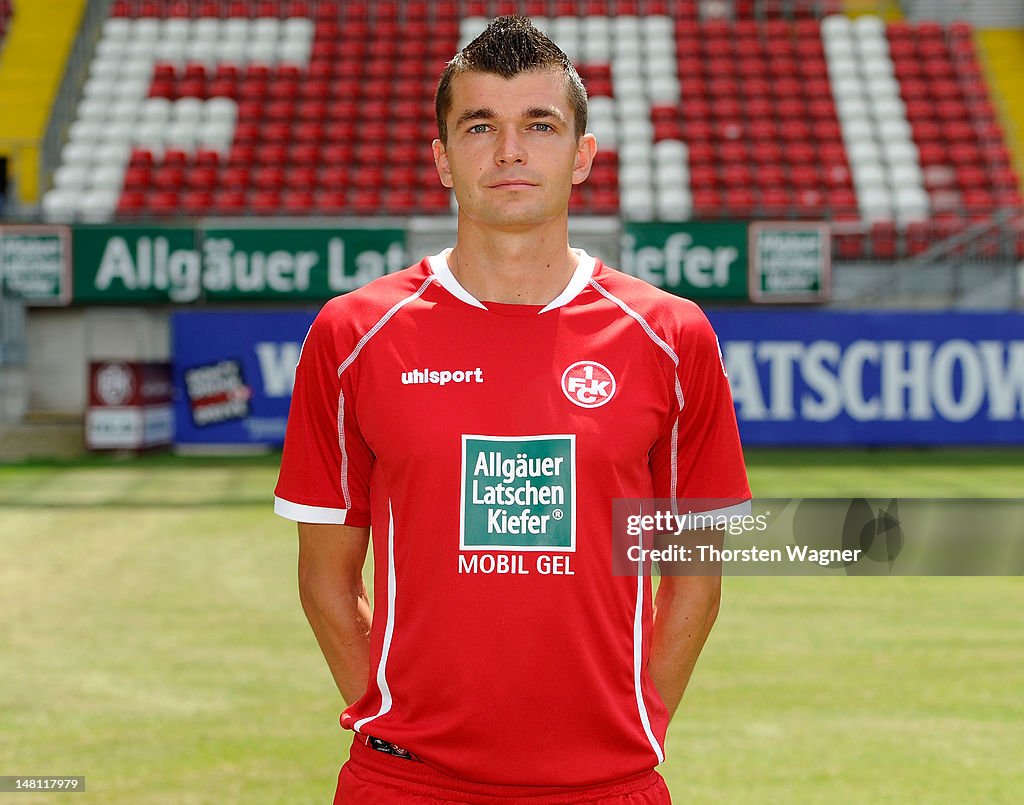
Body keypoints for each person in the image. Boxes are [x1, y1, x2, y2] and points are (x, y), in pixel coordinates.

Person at [274, 16, 750, 805]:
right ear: (442, 159)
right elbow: (326, 579)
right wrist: (397, 721)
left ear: (583, 155)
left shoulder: (671, 334)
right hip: (404, 783)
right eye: (479, 126)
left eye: (539, 124)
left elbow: (695, 571)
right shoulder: (353, 332)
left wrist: (638, 719)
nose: (510, 152)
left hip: (608, 783)